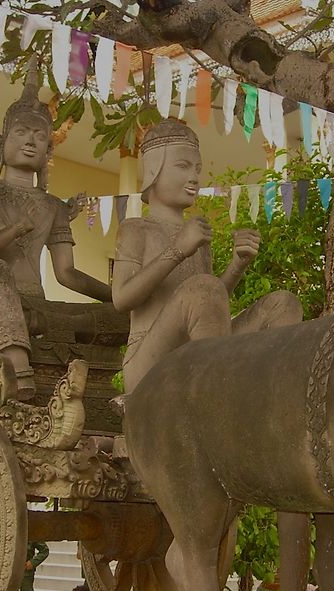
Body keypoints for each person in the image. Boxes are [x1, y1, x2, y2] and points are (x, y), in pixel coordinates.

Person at [0, 61, 112, 401]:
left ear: (48, 151)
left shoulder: (52, 206)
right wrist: (12, 230)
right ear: (0, 141)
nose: (31, 141)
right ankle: (19, 369)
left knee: (113, 315)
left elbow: (67, 274)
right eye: (21, 133)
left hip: (38, 308)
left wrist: (119, 296)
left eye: (40, 136)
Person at [112, 118, 303, 393]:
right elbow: (121, 298)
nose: (194, 177)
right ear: (154, 169)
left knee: (283, 304)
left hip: (201, 351)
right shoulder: (135, 228)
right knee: (204, 287)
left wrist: (237, 265)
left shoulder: (198, 238)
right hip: (150, 358)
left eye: (197, 169)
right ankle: (216, 394)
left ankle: (274, 394)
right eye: (183, 166)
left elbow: (210, 306)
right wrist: (178, 250)